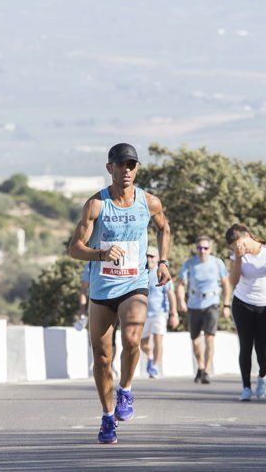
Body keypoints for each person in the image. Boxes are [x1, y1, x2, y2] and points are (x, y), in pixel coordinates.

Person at [68, 142, 171, 445]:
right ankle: (106, 415)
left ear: (136, 169)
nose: (126, 170)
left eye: (131, 165)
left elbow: (164, 228)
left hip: (134, 283)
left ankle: (125, 389)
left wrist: (163, 262)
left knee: (131, 337)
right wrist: (99, 254)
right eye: (120, 165)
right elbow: (74, 248)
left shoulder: (149, 202)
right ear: (109, 168)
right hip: (102, 289)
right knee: (102, 358)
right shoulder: (96, 205)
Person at [225, 224, 266, 401]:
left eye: (241, 243)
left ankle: (263, 376)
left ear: (248, 235)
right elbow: (233, 281)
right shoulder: (237, 255)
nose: (241, 247)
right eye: (235, 247)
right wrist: (239, 258)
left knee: (262, 348)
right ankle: (246, 387)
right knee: (245, 345)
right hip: (242, 303)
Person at [176, 235, 231, 385]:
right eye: (200, 248)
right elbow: (180, 284)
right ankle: (199, 366)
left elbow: (226, 284)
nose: (202, 251)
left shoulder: (217, 263)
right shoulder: (190, 264)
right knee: (195, 340)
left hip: (211, 303)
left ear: (210, 249)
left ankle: (206, 370)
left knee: (209, 338)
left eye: (206, 248)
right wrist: (181, 301)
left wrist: (226, 305)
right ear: (196, 249)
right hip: (194, 304)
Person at [139, 247, 178, 379]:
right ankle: (150, 357)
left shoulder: (162, 273)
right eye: (147, 256)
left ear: (157, 259)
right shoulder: (141, 272)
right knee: (142, 343)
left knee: (157, 339)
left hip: (159, 312)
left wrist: (174, 313)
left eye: (152, 256)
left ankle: (155, 366)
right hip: (143, 313)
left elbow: (171, 294)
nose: (149, 259)